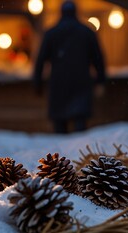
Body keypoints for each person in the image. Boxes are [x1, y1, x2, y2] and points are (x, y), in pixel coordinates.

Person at [33, 0, 106, 133]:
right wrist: (100, 80)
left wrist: (38, 84)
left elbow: (40, 60)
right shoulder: (87, 32)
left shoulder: (51, 33)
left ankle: (61, 152)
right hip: (81, 83)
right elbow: (98, 58)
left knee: (60, 129)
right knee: (80, 126)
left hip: (58, 85)